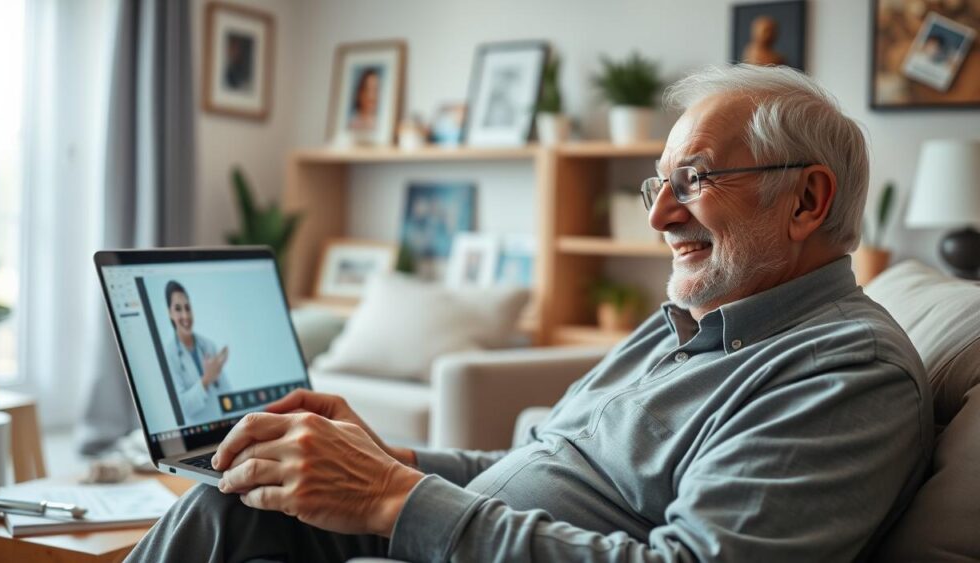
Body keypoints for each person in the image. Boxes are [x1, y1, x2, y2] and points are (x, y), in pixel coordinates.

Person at [128, 65, 933, 562]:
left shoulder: (846, 370)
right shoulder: (688, 320)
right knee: (230, 495)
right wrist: (384, 457)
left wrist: (391, 497)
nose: (658, 219)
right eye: (660, 185)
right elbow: (541, 466)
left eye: (694, 180)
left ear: (807, 199)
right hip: (459, 538)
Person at [163, 281, 231, 424]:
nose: (185, 315)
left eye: (188, 308)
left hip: (223, 425)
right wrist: (206, 380)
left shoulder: (208, 346)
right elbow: (183, 408)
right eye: (178, 309)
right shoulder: (168, 355)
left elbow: (226, 392)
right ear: (170, 313)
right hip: (196, 433)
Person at [348, 67, 381, 132]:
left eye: (375, 89)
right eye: (367, 89)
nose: (372, 96)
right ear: (360, 93)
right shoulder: (351, 123)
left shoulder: (382, 123)